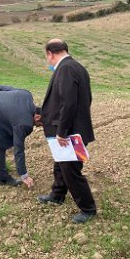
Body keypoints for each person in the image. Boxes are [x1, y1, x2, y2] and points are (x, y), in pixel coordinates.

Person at [37, 39, 97, 223]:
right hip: (74, 128)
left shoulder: (65, 69)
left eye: (47, 57)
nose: (48, 61)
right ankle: (57, 195)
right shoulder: (77, 67)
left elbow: (68, 103)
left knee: (71, 170)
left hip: (70, 132)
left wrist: (62, 131)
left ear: (50, 54)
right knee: (60, 164)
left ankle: (88, 209)